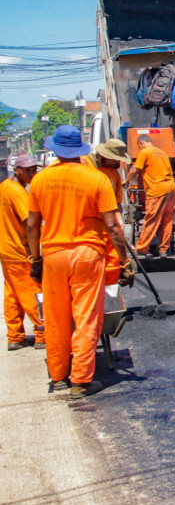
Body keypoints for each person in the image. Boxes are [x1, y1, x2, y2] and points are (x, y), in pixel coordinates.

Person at [26, 126, 131, 396]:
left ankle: (59, 376)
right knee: (86, 317)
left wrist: (35, 259)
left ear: (56, 150)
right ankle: (81, 380)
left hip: (53, 254)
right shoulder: (97, 179)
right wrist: (124, 260)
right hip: (87, 254)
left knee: (56, 317)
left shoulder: (39, 180)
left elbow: (32, 227)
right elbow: (113, 226)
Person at [1, 155, 43, 351]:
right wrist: (37, 253)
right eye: (27, 170)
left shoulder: (4, 186)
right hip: (19, 251)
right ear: (16, 170)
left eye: (34, 169)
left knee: (13, 295)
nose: (31, 173)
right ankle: (42, 332)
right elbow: (30, 223)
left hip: (6, 249)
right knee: (31, 292)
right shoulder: (17, 192)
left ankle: (15, 336)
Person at [87, 140, 131, 285]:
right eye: (115, 158)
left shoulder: (115, 175)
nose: (117, 162)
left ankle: (110, 288)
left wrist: (119, 219)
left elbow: (117, 202)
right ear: (104, 156)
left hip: (110, 223)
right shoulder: (92, 173)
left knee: (113, 259)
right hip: (94, 224)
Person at [126, 135, 175, 256]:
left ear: (142, 142)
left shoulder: (145, 152)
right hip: (172, 189)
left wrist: (126, 181)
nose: (139, 149)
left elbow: (135, 170)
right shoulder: (162, 152)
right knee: (167, 221)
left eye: (138, 146)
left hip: (157, 190)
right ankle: (164, 250)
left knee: (152, 220)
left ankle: (142, 248)